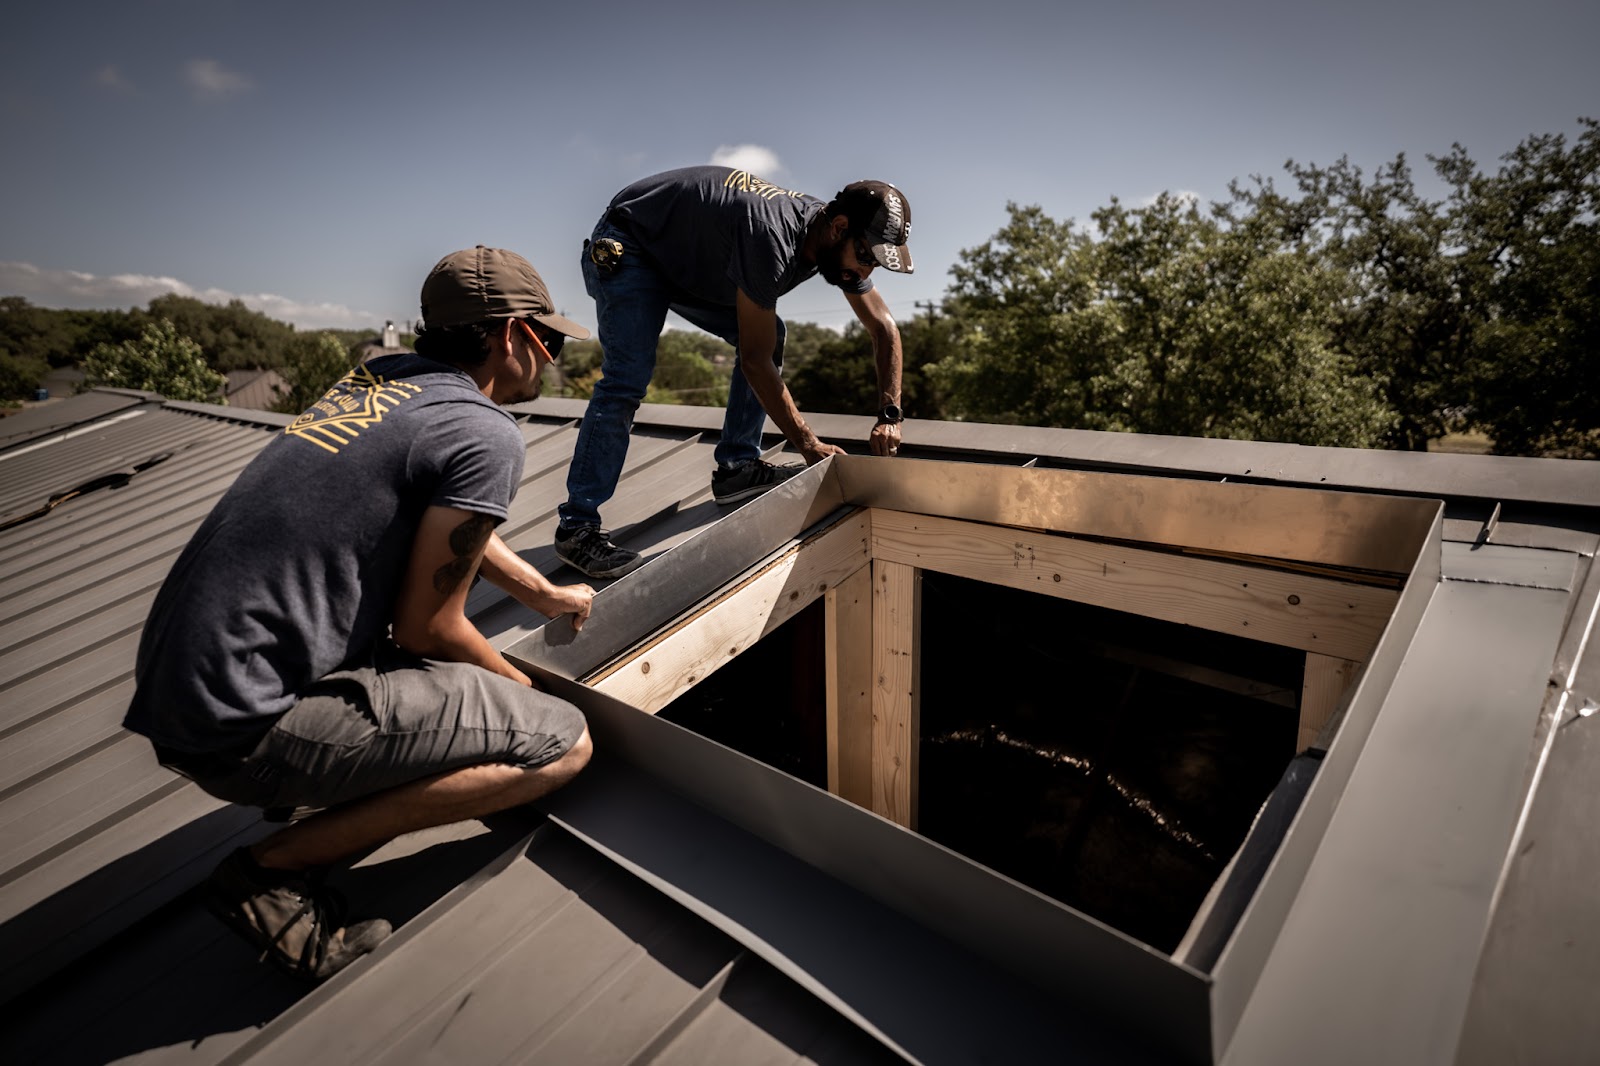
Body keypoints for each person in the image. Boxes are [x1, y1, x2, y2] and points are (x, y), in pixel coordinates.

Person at [124, 246, 597, 981]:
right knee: (563, 742)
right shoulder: (485, 431)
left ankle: (322, 782)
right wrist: (524, 690)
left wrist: (544, 595)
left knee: (446, 683)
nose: (554, 359)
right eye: (552, 340)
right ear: (512, 335)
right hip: (244, 730)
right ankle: (267, 876)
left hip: (182, 691)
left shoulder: (378, 381)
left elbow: (446, 523)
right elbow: (427, 628)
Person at [553, 166, 915, 579]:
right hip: (631, 243)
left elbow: (883, 328)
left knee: (769, 333)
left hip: (682, 256)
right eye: (866, 256)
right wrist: (809, 445)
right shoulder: (773, 239)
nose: (864, 273)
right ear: (838, 227)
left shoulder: (830, 243)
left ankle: (737, 469)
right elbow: (754, 363)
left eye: (874, 265)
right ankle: (576, 527)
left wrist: (890, 415)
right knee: (627, 378)